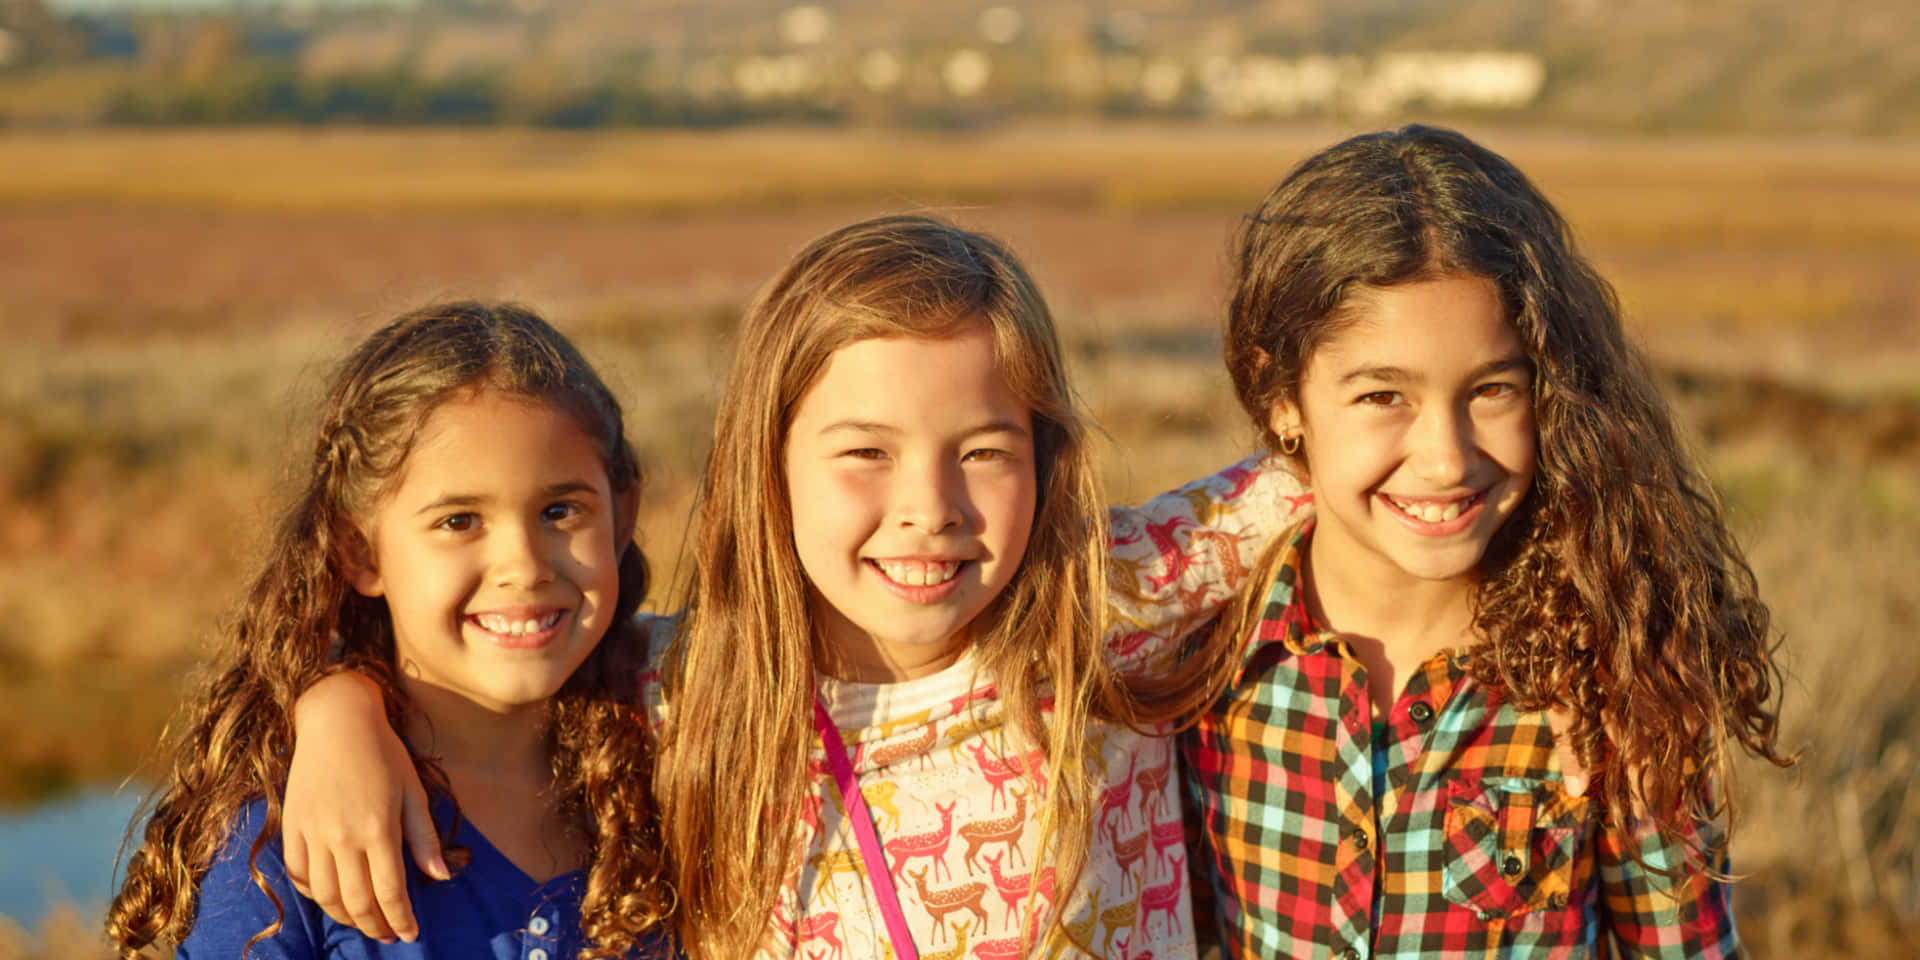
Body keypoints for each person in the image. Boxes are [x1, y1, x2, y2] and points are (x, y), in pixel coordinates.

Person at [277, 215, 1309, 959]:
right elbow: (491, 667)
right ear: (769, 465)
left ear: (1045, 456)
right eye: (865, 452)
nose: (929, 509)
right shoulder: (683, 694)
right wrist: (338, 703)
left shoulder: (1111, 602)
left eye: (985, 452)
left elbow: (1335, 472)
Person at [1153, 125, 1792, 958]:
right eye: (1384, 396)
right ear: (1281, 397)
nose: (1447, 458)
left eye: (1493, 389)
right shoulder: (1198, 663)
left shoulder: (1608, 678)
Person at [105, 303, 675, 959]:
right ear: (360, 550)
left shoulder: (689, 765)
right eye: (460, 521)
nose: (523, 566)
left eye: (559, 510)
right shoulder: (285, 840)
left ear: (621, 512)